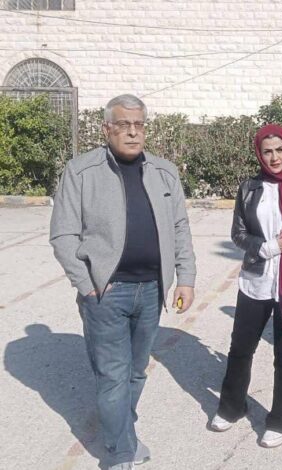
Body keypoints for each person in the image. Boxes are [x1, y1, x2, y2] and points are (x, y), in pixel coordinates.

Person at [50, 94, 196, 470]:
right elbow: (63, 235)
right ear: (107, 129)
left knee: (135, 371)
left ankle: (122, 431)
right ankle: (120, 452)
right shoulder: (81, 171)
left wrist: (186, 278)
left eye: (139, 124)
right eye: (123, 125)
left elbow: (179, 227)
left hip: (152, 291)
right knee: (114, 375)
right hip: (106, 293)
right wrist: (87, 284)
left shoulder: (164, 171)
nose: (133, 132)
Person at [209, 124, 282, 449]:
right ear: (259, 154)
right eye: (267, 151)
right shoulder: (249, 187)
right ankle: (232, 406)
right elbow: (238, 234)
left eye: (279, 150)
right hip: (256, 280)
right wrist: (268, 247)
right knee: (240, 348)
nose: (274, 157)